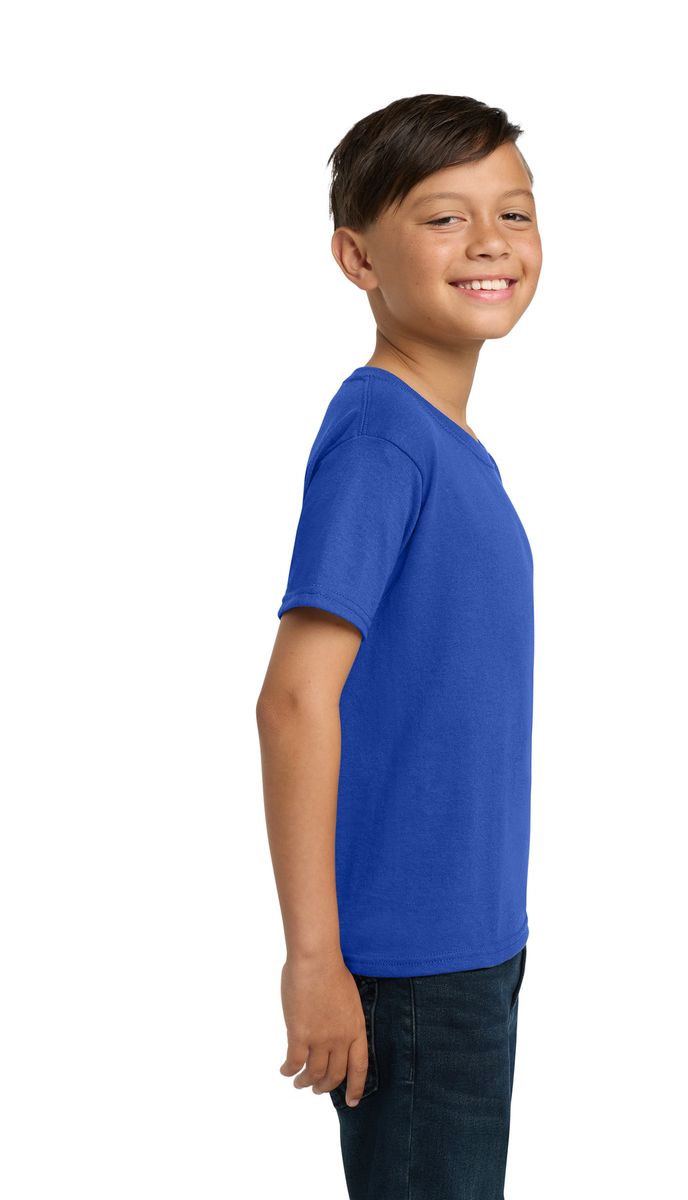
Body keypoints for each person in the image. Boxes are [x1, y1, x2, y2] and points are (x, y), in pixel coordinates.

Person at [256, 92, 543, 1199]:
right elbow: (294, 698)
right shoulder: (383, 438)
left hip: (473, 941)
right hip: (411, 964)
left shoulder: (444, 441)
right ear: (357, 257)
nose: (490, 242)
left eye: (513, 212)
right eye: (443, 218)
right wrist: (315, 960)